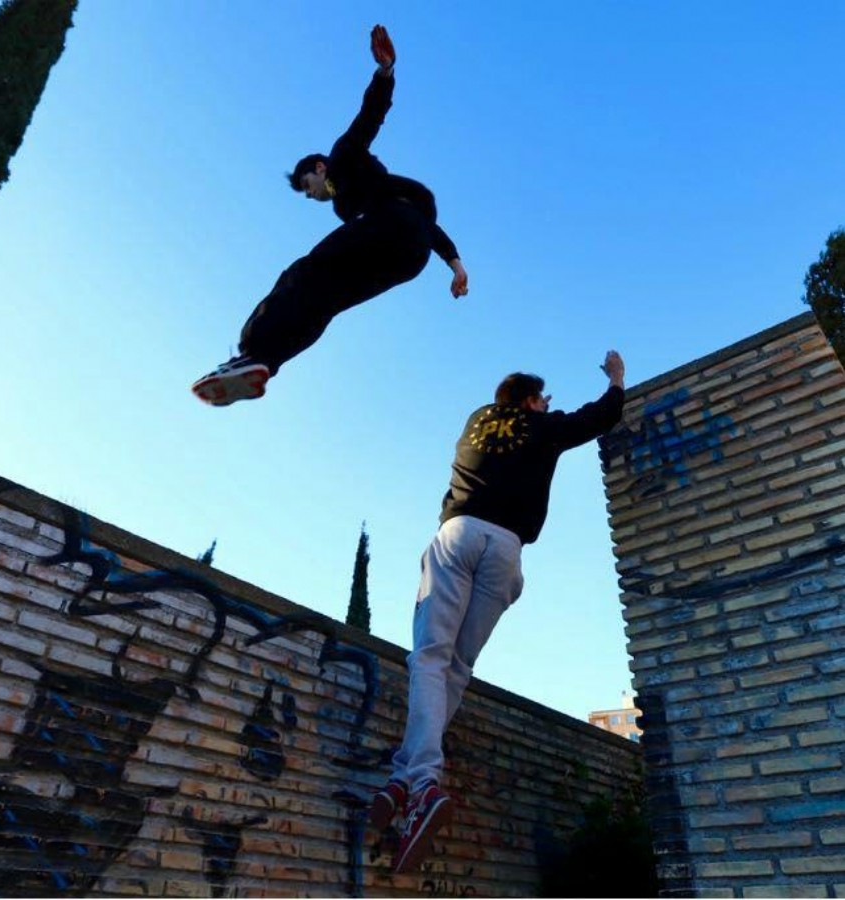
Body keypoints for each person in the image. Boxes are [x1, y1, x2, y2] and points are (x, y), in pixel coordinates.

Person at [371, 350, 626, 874]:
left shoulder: (476, 422)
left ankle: (416, 778)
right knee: (457, 666)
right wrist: (616, 380)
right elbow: (601, 415)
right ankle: (411, 774)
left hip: (460, 533)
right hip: (506, 549)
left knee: (429, 657)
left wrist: (532, 408)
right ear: (533, 400)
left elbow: (513, 420)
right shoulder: (545, 426)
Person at [192, 25, 468, 406]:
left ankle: (251, 352)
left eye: (307, 185)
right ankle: (262, 365)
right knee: (325, 302)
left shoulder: (343, 157)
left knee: (302, 275)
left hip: (391, 227)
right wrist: (456, 265)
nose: (311, 195)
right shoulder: (354, 206)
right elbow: (428, 228)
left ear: (320, 167)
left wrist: (384, 72)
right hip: (411, 254)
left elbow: (369, 118)